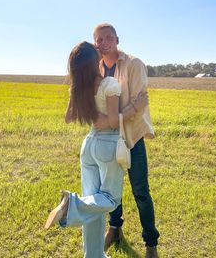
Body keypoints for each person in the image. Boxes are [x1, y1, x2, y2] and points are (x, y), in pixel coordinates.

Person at [45, 41, 146, 258]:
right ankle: (72, 203)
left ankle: (93, 255)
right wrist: (136, 107)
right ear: (95, 62)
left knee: (94, 208)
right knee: (110, 200)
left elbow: (68, 117)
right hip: (107, 146)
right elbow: (111, 121)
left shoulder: (78, 88)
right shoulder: (108, 84)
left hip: (88, 146)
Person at [93, 24, 160, 258]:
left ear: (117, 39)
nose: (104, 42)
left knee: (141, 192)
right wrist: (117, 116)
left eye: (109, 37)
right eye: (99, 39)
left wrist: (111, 119)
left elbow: (140, 107)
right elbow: (96, 110)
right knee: (112, 190)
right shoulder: (95, 69)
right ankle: (115, 229)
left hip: (132, 138)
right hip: (108, 140)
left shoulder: (134, 64)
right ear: (95, 43)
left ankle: (151, 243)